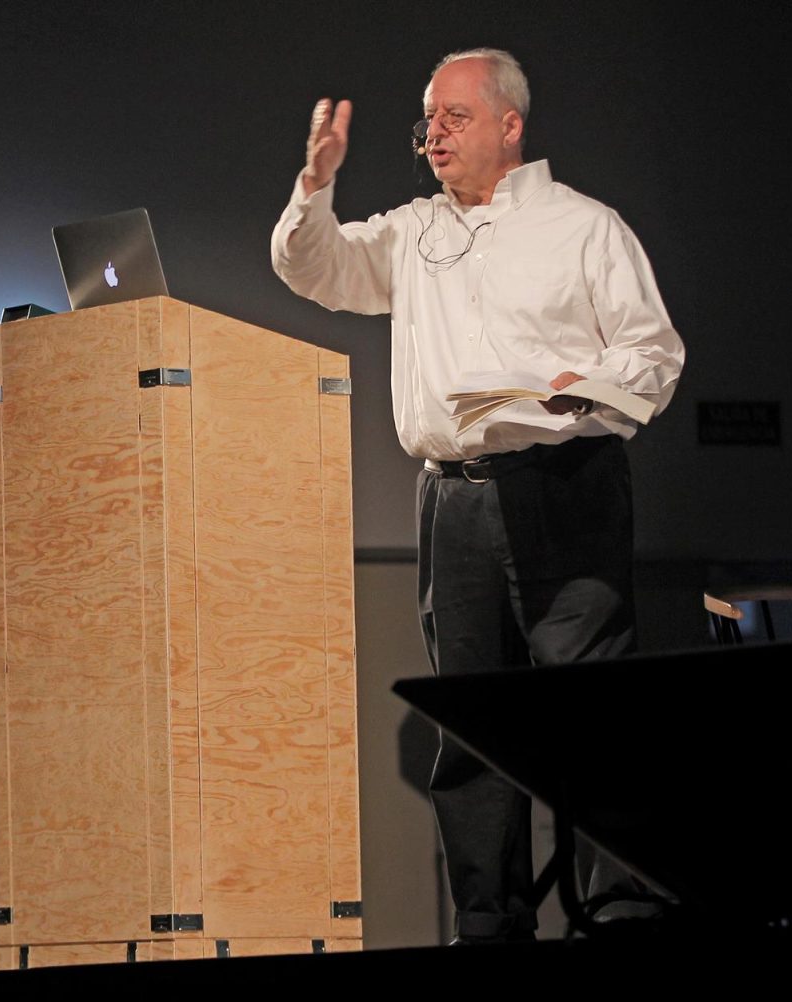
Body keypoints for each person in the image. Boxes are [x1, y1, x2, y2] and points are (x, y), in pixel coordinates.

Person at [271, 48, 684, 943]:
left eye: (455, 117)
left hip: (565, 488)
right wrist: (315, 185)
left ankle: (618, 914)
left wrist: (595, 384)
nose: (434, 134)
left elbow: (653, 354)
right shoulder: (417, 231)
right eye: (427, 119)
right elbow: (317, 270)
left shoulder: (584, 227)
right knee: (472, 728)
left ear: (510, 126)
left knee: (592, 722)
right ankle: (489, 925)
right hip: (453, 502)